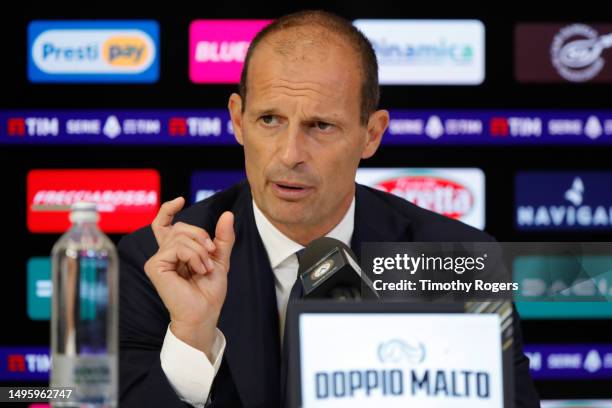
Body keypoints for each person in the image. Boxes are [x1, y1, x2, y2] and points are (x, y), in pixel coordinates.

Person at [118, 10, 540, 407]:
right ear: (237, 120)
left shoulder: (455, 261)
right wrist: (192, 335)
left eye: (320, 126)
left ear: (371, 134)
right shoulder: (153, 263)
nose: (290, 154)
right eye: (269, 120)